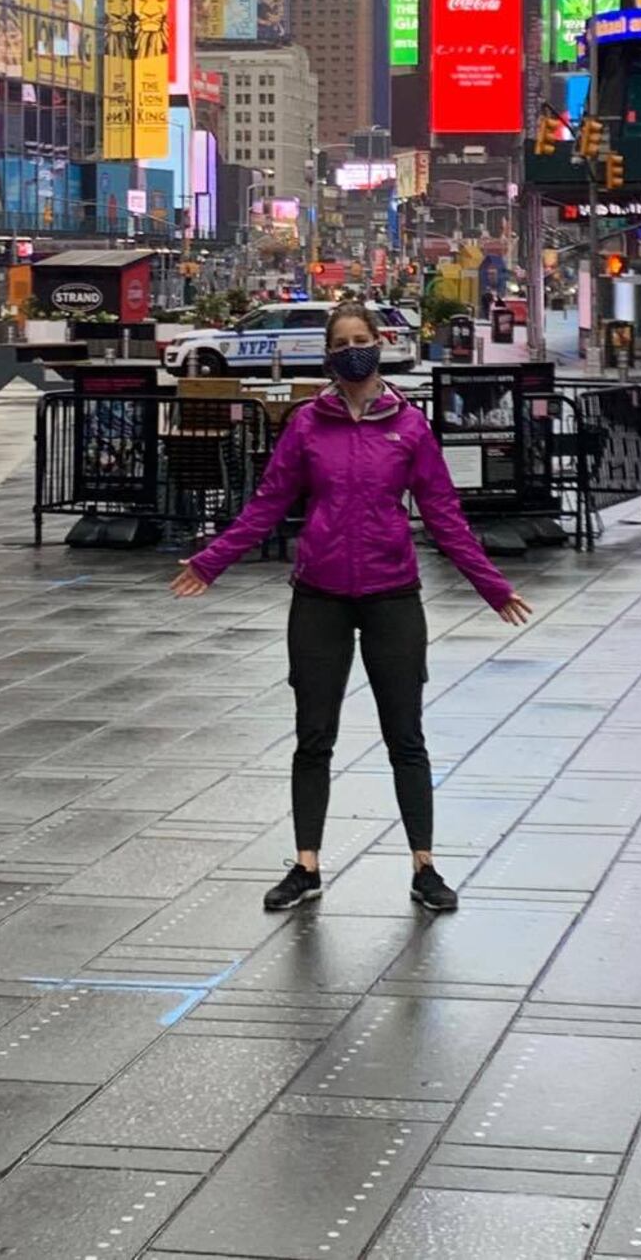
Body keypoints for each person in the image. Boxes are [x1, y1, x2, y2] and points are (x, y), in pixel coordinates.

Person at [172, 301, 532, 915]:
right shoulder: (308, 426)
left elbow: (444, 516)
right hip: (320, 596)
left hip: (392, 595)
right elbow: (266, 505)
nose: (352, 350)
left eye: (362, 339)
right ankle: (306, 865)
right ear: (329, 352)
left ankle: (424, 866)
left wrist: (491, 586)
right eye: (342, 342)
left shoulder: (409, 426)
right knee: (314, 737)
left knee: (405, 737)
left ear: (378, 343)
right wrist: (211, 561)